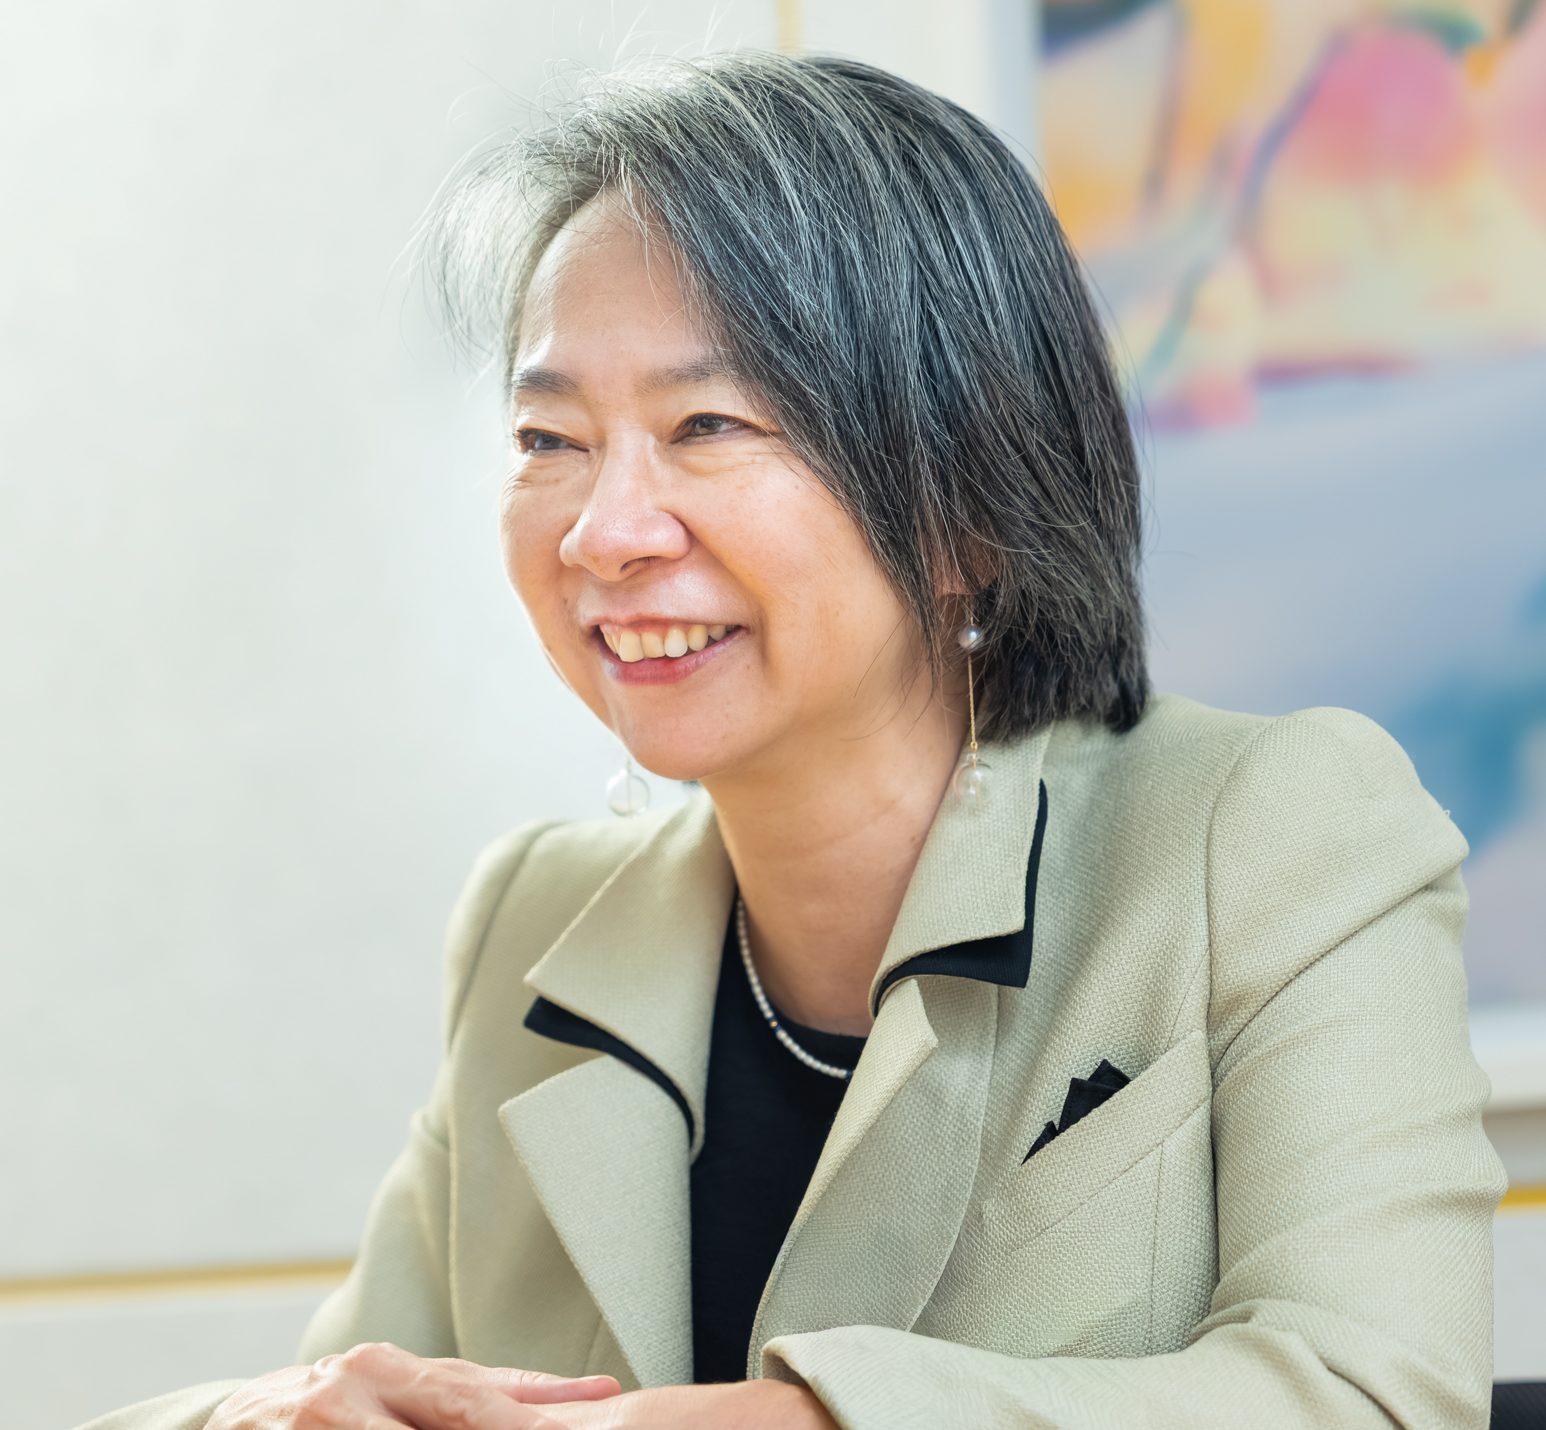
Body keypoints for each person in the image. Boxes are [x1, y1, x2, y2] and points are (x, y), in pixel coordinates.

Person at [84, 49, 1506, 1430]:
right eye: (547, 440)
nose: (603, 532)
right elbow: (356, 1382)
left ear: (969, 507)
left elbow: (1376, 1395)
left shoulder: (1267, 833)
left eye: (705, 424)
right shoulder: (534, 919)